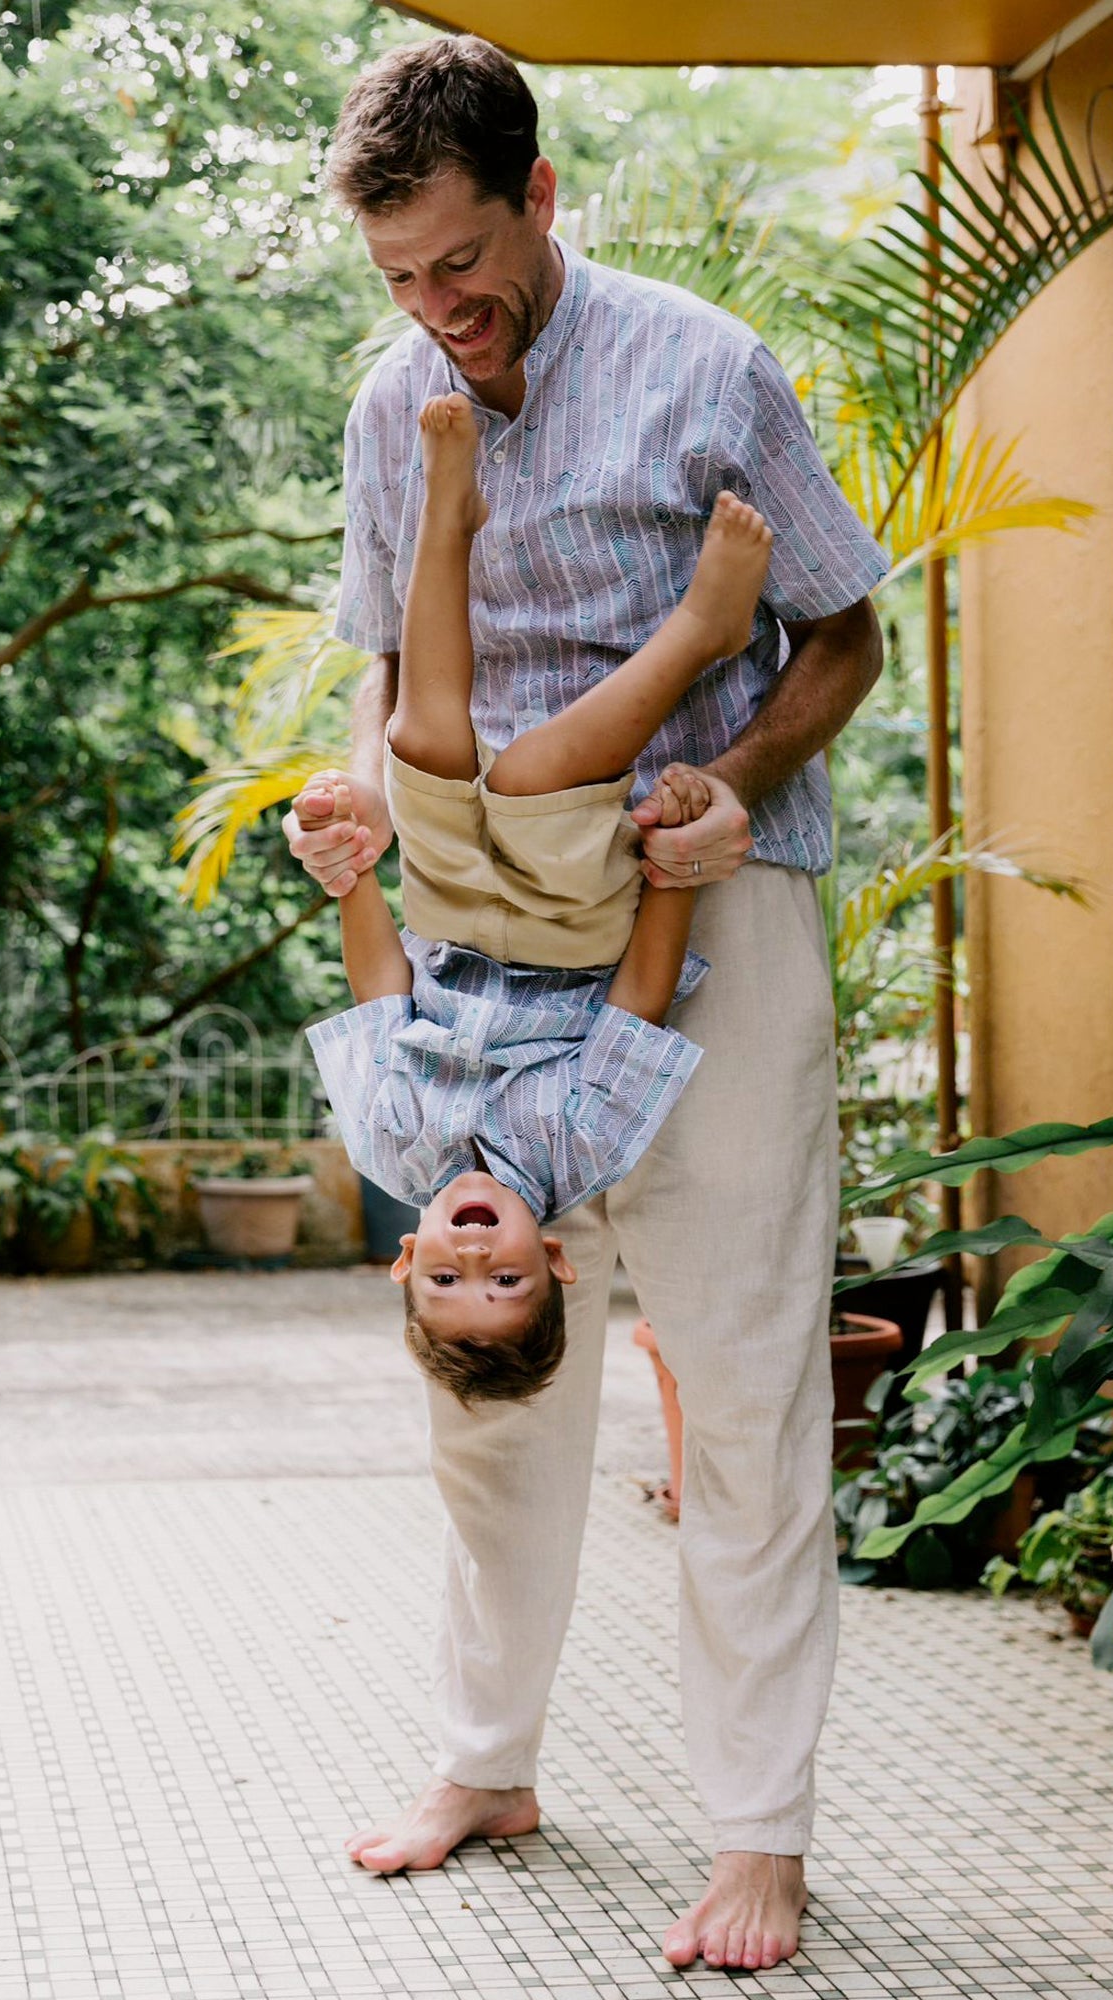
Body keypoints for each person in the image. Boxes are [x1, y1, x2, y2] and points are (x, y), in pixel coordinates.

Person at [285, 35, 886, 1974]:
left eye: (462, 265)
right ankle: (488, 1763)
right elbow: (391, 672)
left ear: (540, 199)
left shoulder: (707, 369)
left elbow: (846, 631)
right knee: (493, 1386)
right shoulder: (393, 404)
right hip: (480, 920)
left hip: (710, 894)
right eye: (400, 279)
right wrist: (357, 799)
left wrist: (741, 775)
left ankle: (760, 1833)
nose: (436, 312)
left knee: (745, 1370)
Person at [305, 389, 773, 1404]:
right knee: (528, 777)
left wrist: (352, 874)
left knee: (423, 743)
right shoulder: (587, 1145)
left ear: (406, 1259)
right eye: (505, 1280)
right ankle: (704, 628)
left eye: (445, 1280)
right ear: (556, 1259)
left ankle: (449, 518)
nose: (474, 1257)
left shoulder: (387, 1141)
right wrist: (672, 870)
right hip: (572, 928)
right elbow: (638, 1002)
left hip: (447, 918)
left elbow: (381, 991)